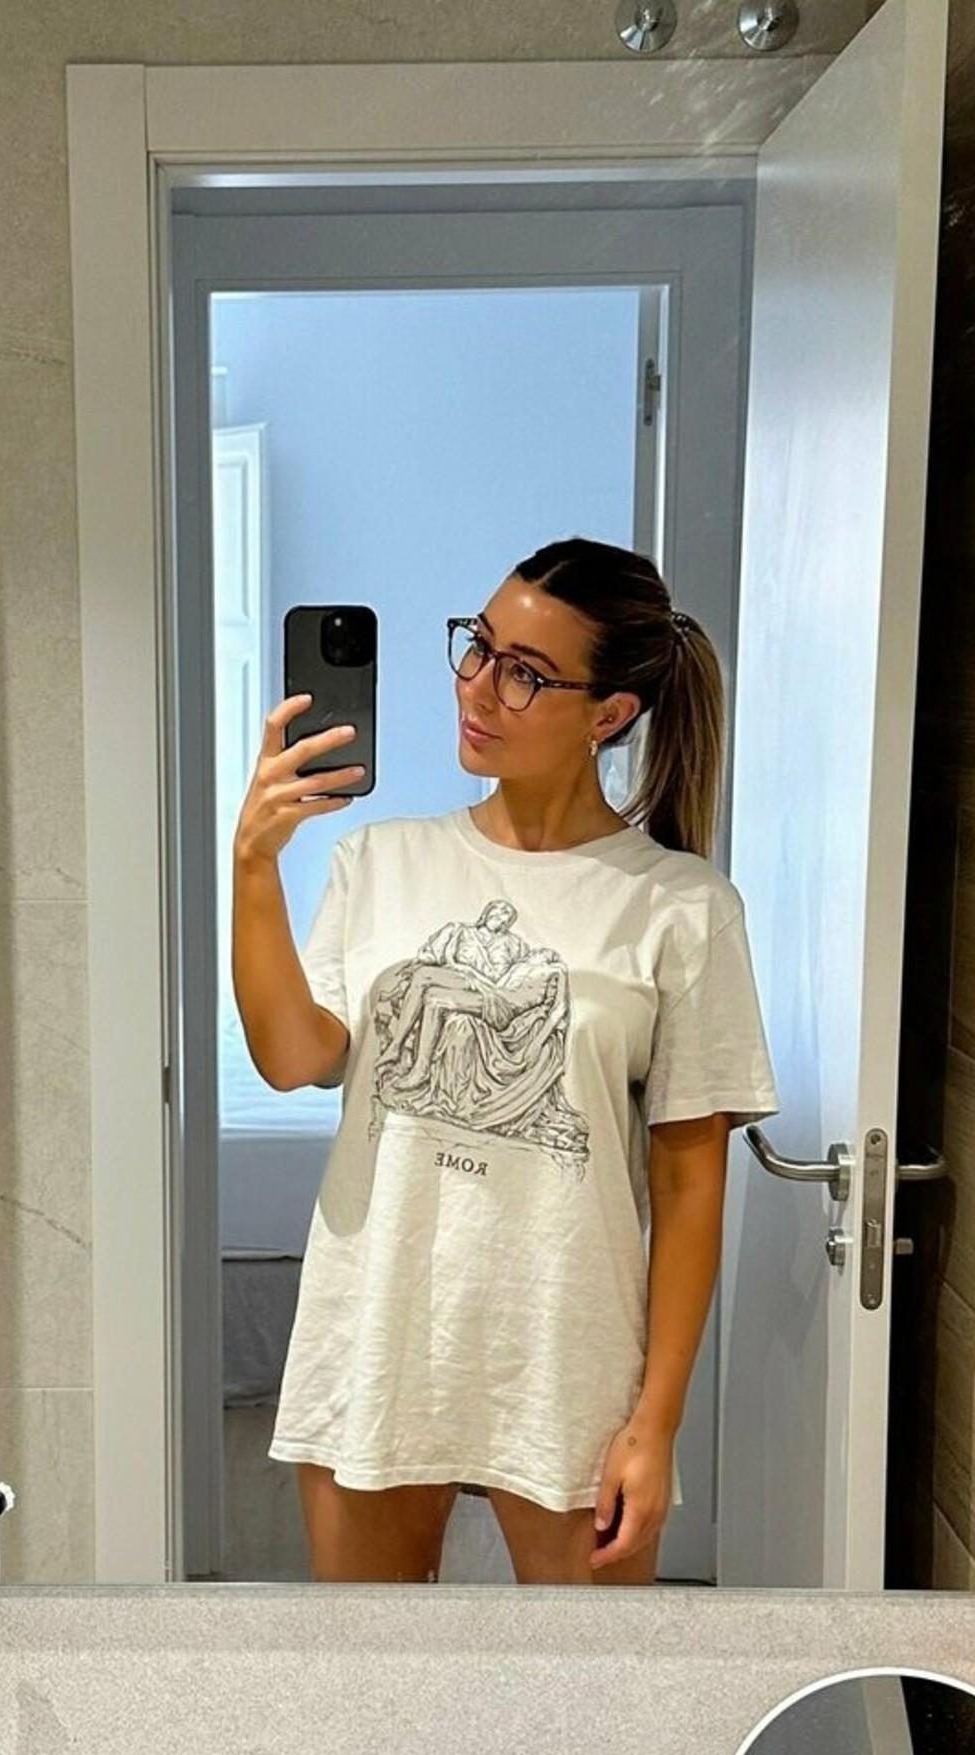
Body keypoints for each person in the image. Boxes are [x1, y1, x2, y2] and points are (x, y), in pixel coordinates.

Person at [231, 535, 780, 1587]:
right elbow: (293, 1057)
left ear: (609, 714)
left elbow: (689, 1184)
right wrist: (253, 865)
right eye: (477, 646)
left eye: (524, 672)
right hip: (377, 1334)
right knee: (372, 1677)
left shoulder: (682, 907)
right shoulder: (380, 860)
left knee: (587, 1687)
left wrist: (656, 1422)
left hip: (568, 1357)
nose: (478, 686)